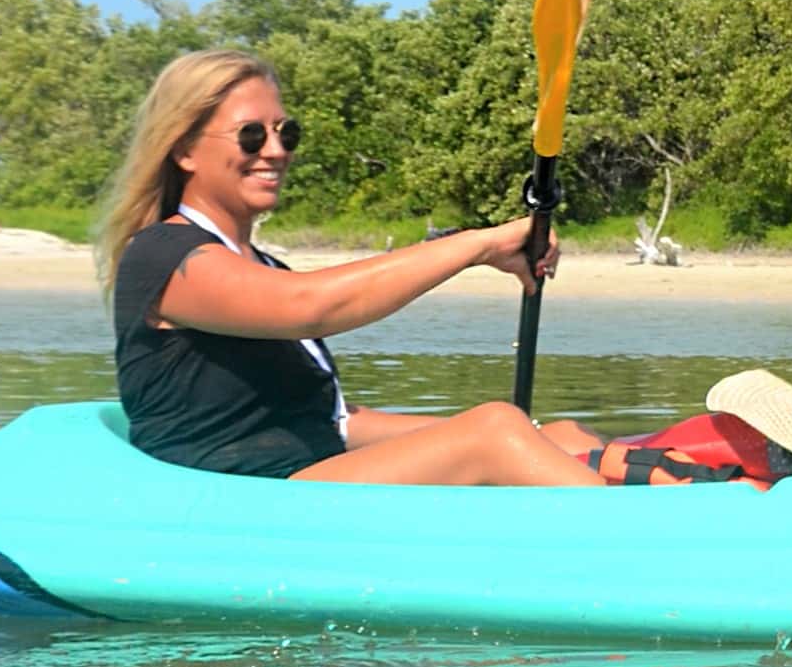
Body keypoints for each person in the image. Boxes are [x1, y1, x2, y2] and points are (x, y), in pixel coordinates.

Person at [93, 49, 606, 486]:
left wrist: (520, 435)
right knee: (493, 431)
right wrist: (478, 244)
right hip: (246, 499)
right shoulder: (162, 255)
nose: (275, 150)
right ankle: (634, 541)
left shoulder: (264, 266)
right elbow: (310, 306)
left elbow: (337, 423)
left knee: (546, 432)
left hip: (304, 481)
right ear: (184, 149)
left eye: (286, 133)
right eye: (250, 136)